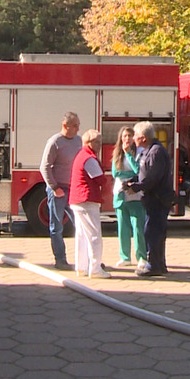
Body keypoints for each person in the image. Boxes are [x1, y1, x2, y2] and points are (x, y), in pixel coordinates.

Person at [127, 121, 174, 277]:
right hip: (153, 198)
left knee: (153, 232)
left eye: (135, 135)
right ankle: (159, 263)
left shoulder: (155, 152)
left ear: (143, 138)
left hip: (158, 199)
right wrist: (133, 181)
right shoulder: (148, 151)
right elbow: (144, 173)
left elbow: (152, 177)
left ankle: (154, 265)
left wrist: (137, 187)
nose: (133, 138)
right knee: (155, 231)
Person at [39, 112, 82, 270]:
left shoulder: (78, 141)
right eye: (75, 125)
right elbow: (44, 167)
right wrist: (54, 187)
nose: (78, 129)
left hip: (74, 189)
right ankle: (60, 259)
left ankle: (84, 258)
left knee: (80, 224)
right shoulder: (55, 142)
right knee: (57, 227)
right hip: (58, 190)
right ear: (65, 126)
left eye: (78, 125)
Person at [69, 129, 110, 279]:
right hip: (87, 199)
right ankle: (95, 268)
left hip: (77, 200)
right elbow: (100, 179)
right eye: (97, 142)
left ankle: (81, 267)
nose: (99, 145)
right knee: (94, 235)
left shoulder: (81, 155)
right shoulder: (89, 158)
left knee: (81, 235)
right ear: (88, 143)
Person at [111, 126, 146, 270]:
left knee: (138, 227)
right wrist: (128, 176)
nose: (127, 139)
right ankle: (125, 256)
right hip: (120, 192)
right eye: (124, 136)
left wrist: (129, 156)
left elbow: (138, 170)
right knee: (122, 227)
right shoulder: (117, 153)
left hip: (135, 194)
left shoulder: (139, 152)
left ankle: (142, 257)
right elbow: (115, 173)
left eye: (130, 136)